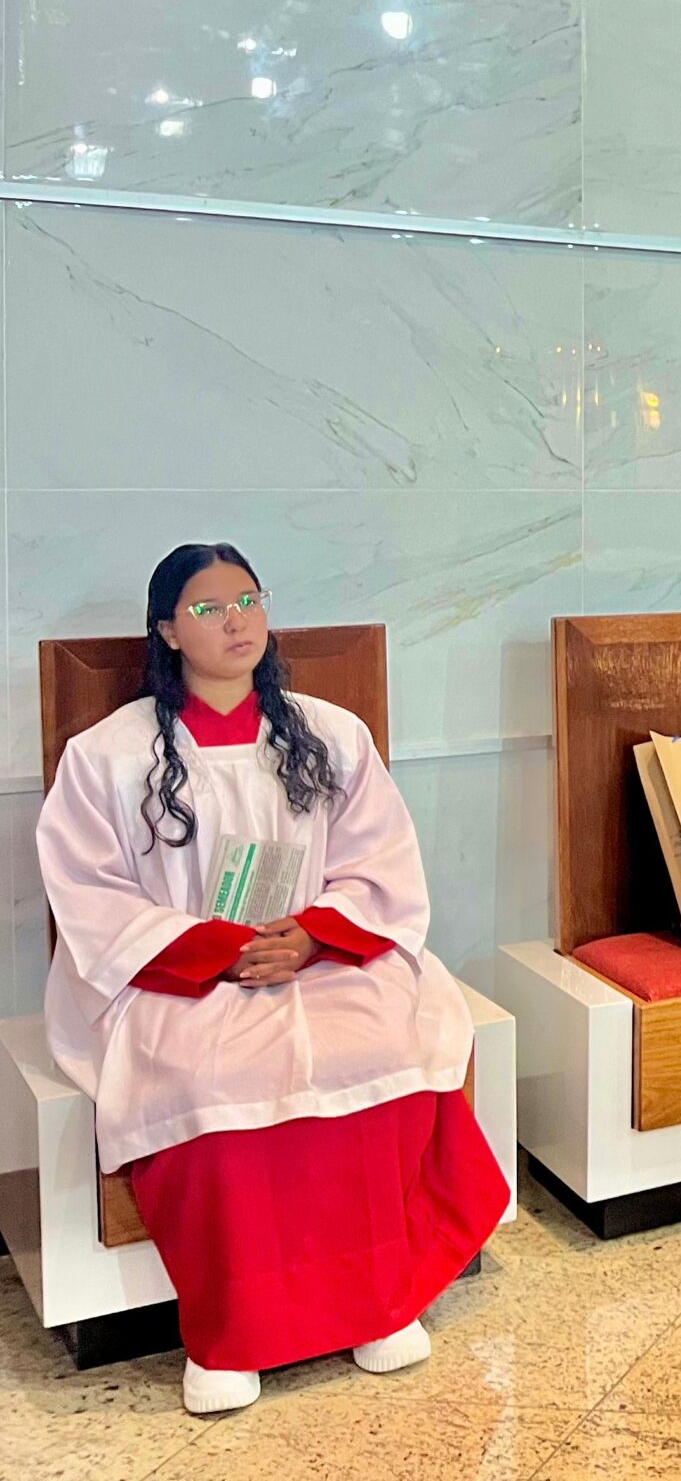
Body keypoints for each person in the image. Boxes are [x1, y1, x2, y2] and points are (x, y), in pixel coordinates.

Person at [36, 544, 506, 1416]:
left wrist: (315, 935)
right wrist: (213, 948)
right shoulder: (106, 756)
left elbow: (380, 863)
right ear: (167, 630)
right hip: (178, 972)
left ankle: (380, 1304)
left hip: (316, 956)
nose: (236, 621)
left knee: (381, 1043)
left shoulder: (329, 735)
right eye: (208, 608)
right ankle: (234, 1337)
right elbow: (89, 893)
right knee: (210, 1074)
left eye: (248, 600)